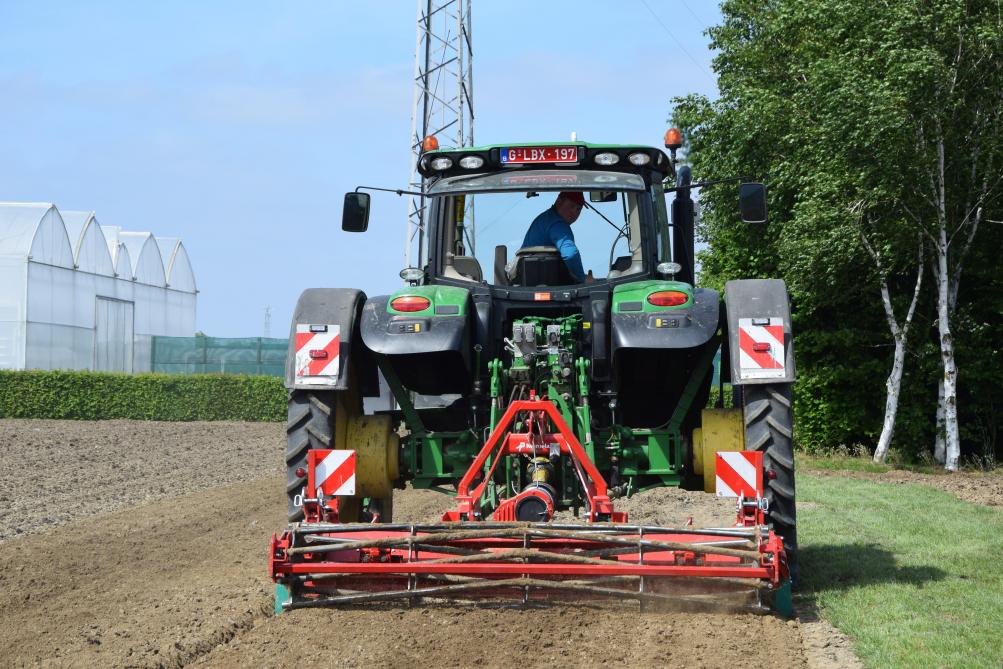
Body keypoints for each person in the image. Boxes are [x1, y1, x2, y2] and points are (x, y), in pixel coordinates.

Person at [519, 191, 588, 283]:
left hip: (526, 281)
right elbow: (570, 254)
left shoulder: (545, 219)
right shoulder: (558, 224)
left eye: (579, 209)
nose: (575, 212)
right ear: (559, 201)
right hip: (544, 282)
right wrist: (583, 279)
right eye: (571, 206)